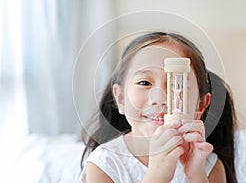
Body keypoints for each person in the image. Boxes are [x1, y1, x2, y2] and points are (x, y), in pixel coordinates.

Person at [80, 32, 237, 183]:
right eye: (144, 83)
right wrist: (157, 176)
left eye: (178, 85)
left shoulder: (209, 166)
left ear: (200, 106)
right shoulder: (103, 165)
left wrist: (196, 177)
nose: (160, 97)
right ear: (121, 99)